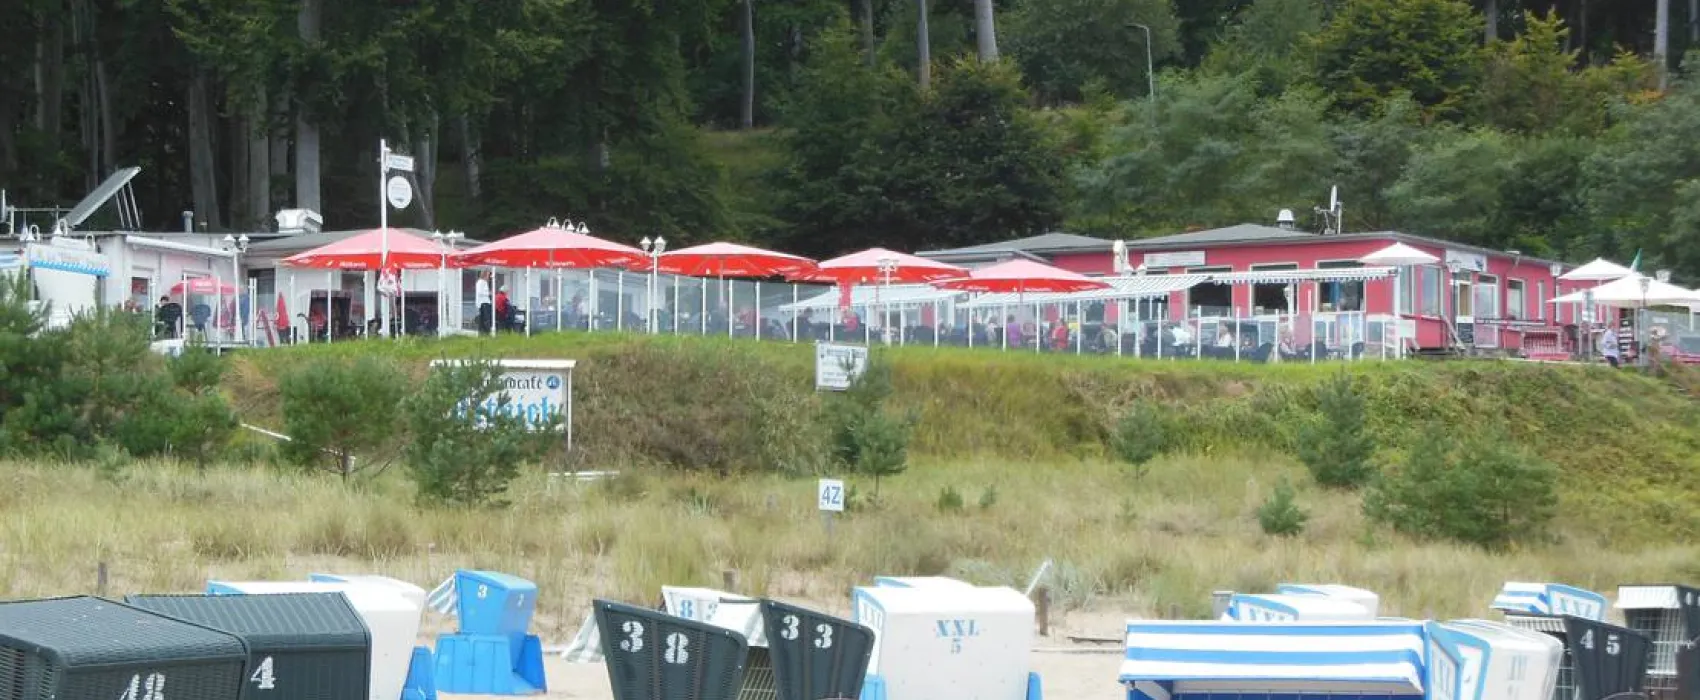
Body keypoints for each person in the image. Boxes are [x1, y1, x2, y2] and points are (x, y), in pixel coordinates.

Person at [475, 271, 493, 335]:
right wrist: (488, 293)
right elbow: (480, 292)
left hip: (483, 302)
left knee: (482, 319)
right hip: (484, 302)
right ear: (484, 275)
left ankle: (482, 332)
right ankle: (487, 332)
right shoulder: (482, 282)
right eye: (488, 275)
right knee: (486, 319)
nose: (489, 277)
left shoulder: (481, 282)